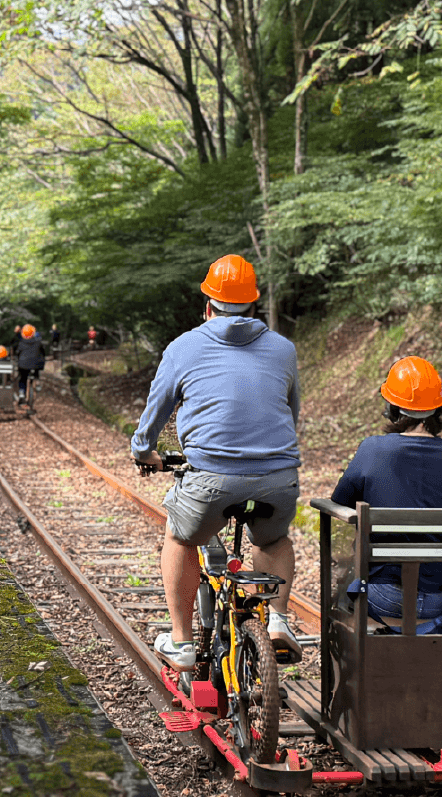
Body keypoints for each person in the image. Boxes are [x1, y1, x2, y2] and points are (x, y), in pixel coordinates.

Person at [132, 254, 302, 671]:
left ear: (207, 305)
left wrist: (143, 452)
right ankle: (277, 618)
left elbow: (154, 415)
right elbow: (290, 412)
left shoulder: (184, 346)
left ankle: (182, 642)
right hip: (278, 478)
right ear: (253, 305)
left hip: (211, 480)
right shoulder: (283, 349)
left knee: (179, 537)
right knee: (273, 541)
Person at [330, 357, 442, 628]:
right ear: (437, 410)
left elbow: (340, 503)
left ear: (392, 408)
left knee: (343, 593)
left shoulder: (372, 449)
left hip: (385, 597)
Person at [13, 324, 45, 404]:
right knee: (37, 366)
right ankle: (37, 380)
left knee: (23, 378)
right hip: (36, 365)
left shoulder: (21, 343)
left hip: (23, 365)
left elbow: (18, 353)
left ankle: (21, 393)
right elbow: (43, 352)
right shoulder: (38, 342)